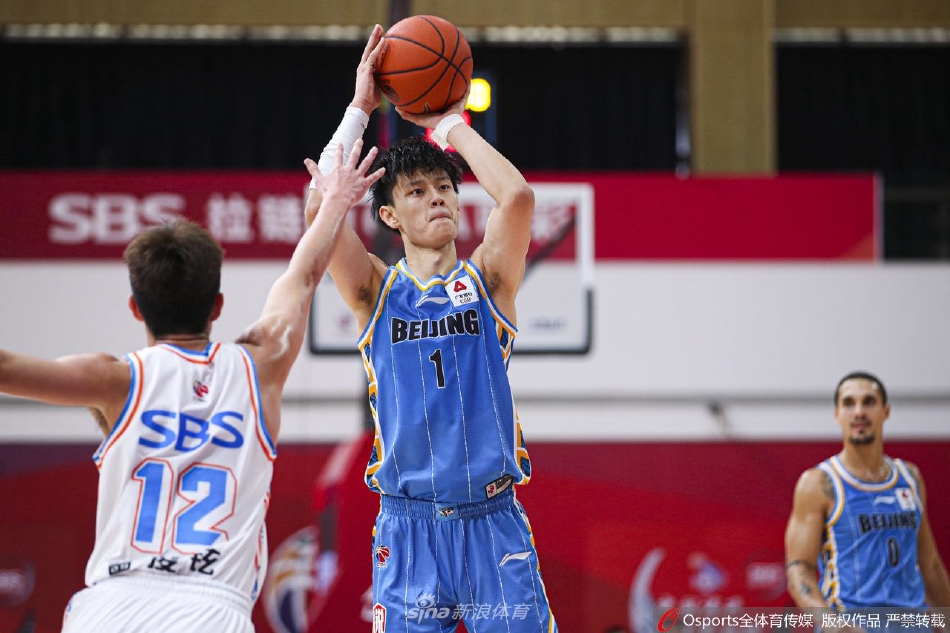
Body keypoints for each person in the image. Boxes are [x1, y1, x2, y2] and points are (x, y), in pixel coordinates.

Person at [0, 141, 384, 632]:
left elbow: (6, 367)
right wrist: (336, 198)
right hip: (211, 609)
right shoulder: (259, 365)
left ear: (135, 307)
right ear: (218, 305)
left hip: (112, 607)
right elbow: (304, 275)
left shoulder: (114, 378)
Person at [304, 24, 557, 632]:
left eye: (444, 187)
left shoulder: (488, 280)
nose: (437, 197)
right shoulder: (374, 290)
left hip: (492, 521)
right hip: (408, 527)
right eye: (417, 191)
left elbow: (518, 198)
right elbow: (319, 212)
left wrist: (447, 126)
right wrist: (360, 108)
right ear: (390, 216)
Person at [784, 371, 950, 617]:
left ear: (886, 411)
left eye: (869, 402)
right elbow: (799, 568)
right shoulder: (818, 483)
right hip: (852, 624)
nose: (859, 412)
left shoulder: (909, 477)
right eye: (849, 403)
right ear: (837, 414)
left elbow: (930, 564)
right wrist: (830, 623)